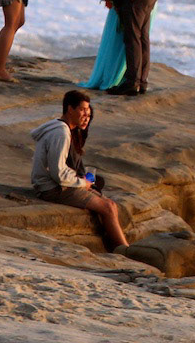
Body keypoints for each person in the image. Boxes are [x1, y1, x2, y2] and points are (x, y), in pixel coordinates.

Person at [30, 90, 128, 251]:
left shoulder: (64, 129)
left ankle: (118, 246)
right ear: (70, 109)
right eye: (82, 110)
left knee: (110, 204)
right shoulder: (61, 133)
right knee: (108, 208)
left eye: (88, 113)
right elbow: (59, 173)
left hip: (59, 184)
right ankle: (125, 251)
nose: (85, 116)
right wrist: (82, 183)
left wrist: (85, 182)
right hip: (52, 188)